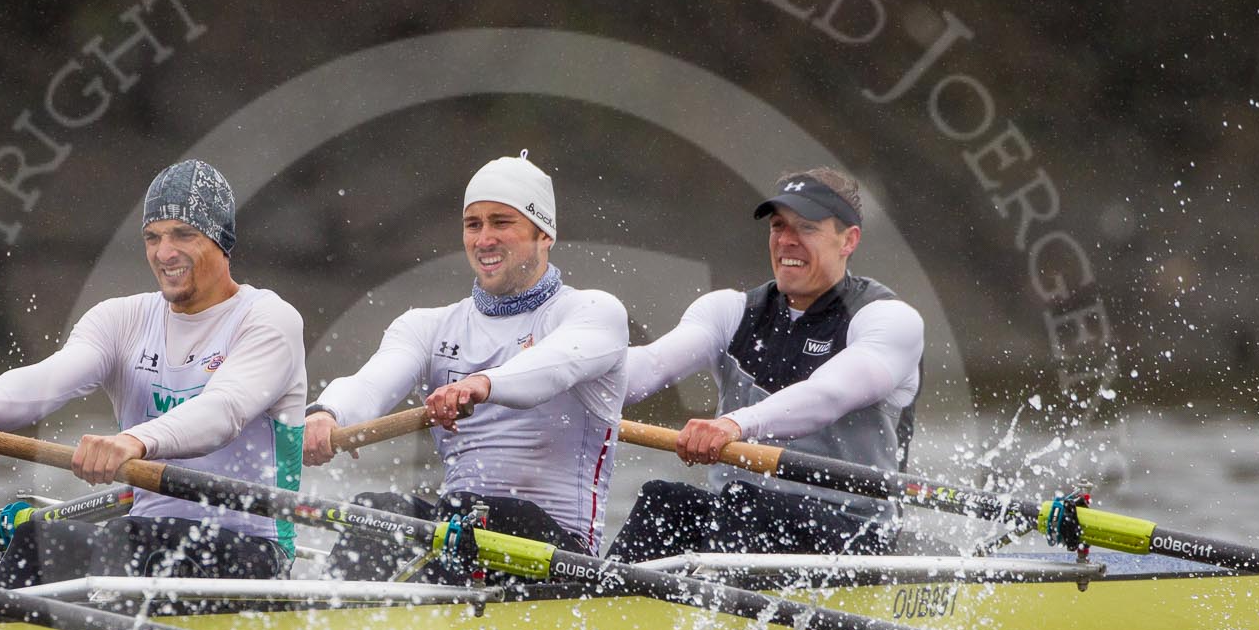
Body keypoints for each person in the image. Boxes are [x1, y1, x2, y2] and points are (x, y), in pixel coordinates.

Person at [0, 159, 306, 585]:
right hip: (144, 538)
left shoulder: (269, 320)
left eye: (184, 234)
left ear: (222, 241)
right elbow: (53, 376)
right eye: (153, 237)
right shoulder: (120, 319)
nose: (165, 253)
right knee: (39, 538)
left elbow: (223, 412)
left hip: (254, 551)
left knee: (129, 539)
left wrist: (133, 441)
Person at [303, 152, 628, 575]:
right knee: (379, 511)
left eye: (501, 222)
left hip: (558, 559)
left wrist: (481, 384)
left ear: (544, 233)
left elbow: (554, 368)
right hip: (459, 532)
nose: (484, 239)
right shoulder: (427, 326)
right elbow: (370, 384)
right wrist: (328, 414)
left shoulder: (594, 312)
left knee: (485, 517)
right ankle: (340, 625)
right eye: (473, 224)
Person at [607, 167, 923, 563]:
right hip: (741, 522)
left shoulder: (888, 321)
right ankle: (595, 605)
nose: (787, 241)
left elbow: (828, 395)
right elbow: (648, 367)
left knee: (748, 503)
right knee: (665, 500)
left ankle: (704, 614)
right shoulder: (729, 311)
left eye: (806, 228)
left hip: (856, 535)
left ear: (849, 240)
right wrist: (563, 377)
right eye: (778, 226)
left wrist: (733, 425)